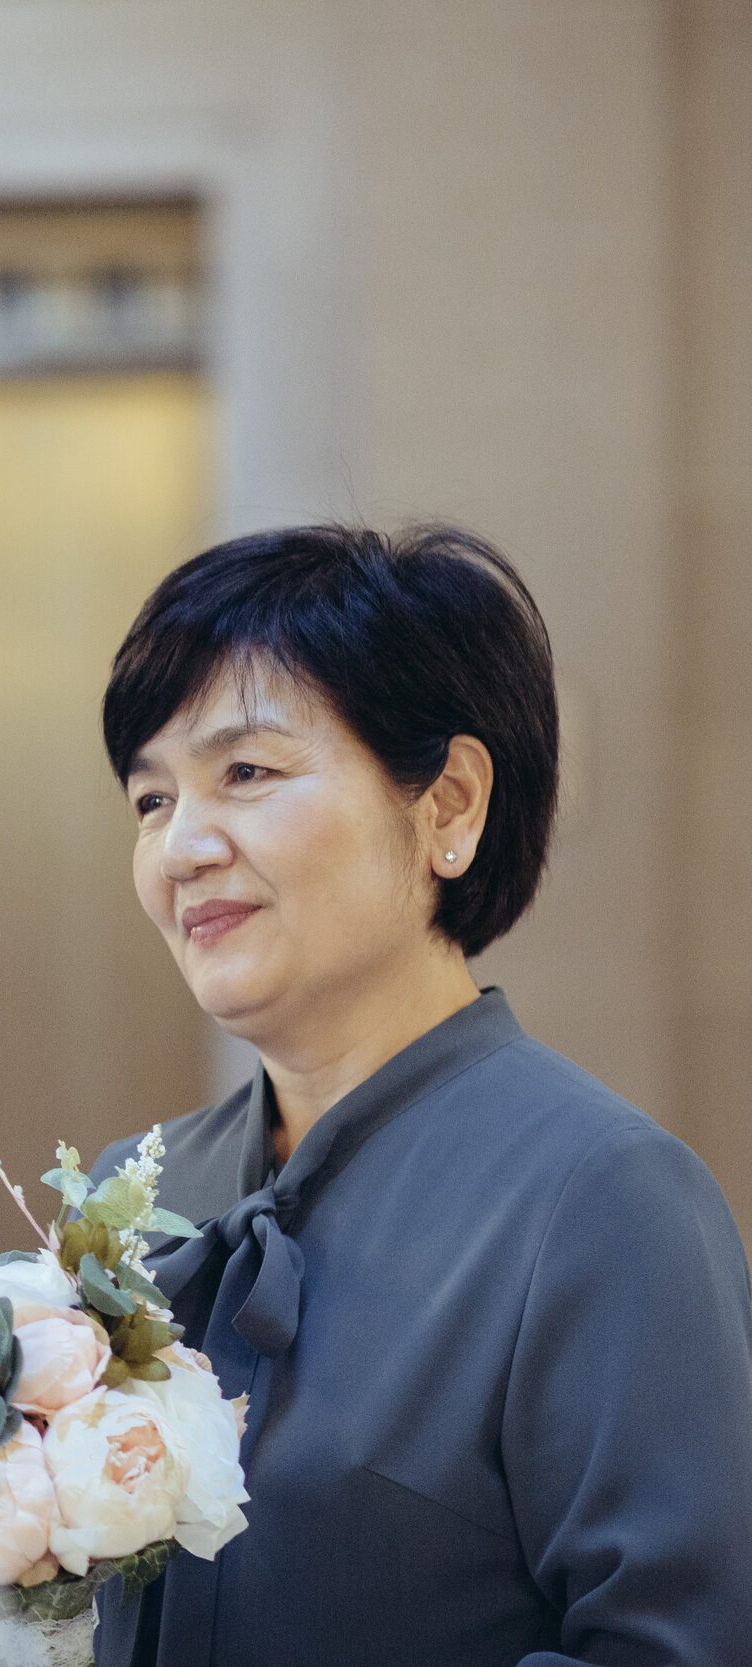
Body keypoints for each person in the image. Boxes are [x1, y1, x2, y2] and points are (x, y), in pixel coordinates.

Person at [87, 524, 752, 1665]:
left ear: (447, 804)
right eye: (151, 799)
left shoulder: (602, 1202)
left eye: (244, 772)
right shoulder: (128, 1193)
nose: (181, 846)